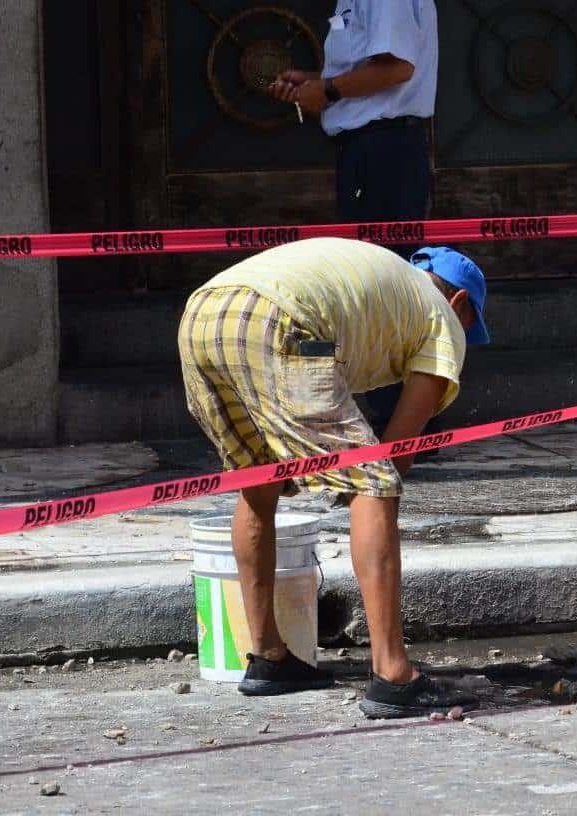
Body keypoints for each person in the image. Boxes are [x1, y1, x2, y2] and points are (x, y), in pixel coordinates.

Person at [177, 237, 490, 719]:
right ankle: (393, 673)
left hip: (203, 314)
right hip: (278, 318)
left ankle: (269, 657)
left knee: (259, 485)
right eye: (473, 324)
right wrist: (362, 486)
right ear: (460, 302)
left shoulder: (384, 282)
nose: (467, 334)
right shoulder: (442, 318)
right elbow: (399, 449)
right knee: (376, 483)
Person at [268, 1, 438, 438]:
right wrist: (318, 82)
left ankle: (404, 429)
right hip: (369, 149)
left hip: (383, 151)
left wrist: (328, 92)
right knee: (376, 282)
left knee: (385, 284)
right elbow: (374, 64)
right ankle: (395, 423)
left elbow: (398, 67)